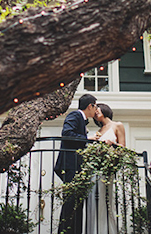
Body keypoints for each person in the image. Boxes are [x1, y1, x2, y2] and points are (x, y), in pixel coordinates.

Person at [54, 93, 97, 234]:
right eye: (95, 106)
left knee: (76, 203)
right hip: (70, 165)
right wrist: (87, 138)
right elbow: (67, 133)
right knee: (71, 203)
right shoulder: (75, 115)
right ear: (90, 106)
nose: (96, 110)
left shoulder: (81, 119)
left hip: (75, 166)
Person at [86, 103, 126, 234]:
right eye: (95, 110)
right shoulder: (98, 132)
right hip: (94, 170)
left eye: (98, 109)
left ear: (105, 109)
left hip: (107, 170)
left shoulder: (117, 125)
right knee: (93, 202)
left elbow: (123, 148)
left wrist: (112, 144)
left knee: (106, 201)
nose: (96, 112)